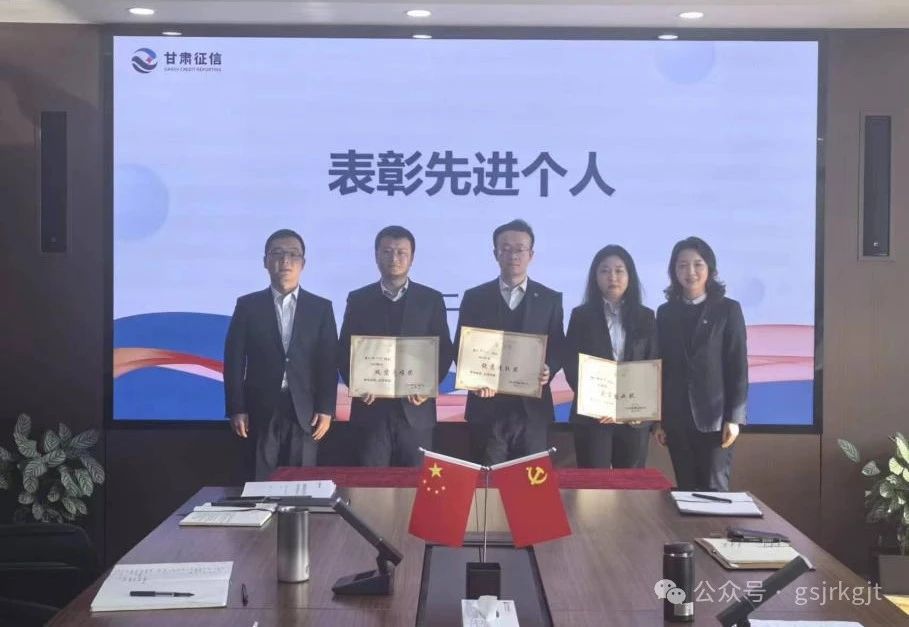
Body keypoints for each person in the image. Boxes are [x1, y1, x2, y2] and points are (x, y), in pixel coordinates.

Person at [223, 229, 339, 480]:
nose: (285, 260)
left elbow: (328, 362)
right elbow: (234, 360)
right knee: (259, 481)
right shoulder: (248, 306)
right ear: (265, 261)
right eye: (277, 253)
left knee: (301, 485)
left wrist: (326, 408)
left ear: (303, 263)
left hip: (305, 411)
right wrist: (236, 407)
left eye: (293, 254)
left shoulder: (320, 308)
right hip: (259, 408)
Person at [338, 225, 454, 466]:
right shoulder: (358, 299)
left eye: (401, 252)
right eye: (387, 251)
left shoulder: (430, 299)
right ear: (376, 255)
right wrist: (358, 385)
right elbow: (344, 350)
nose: (394, 258)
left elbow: (444, 350)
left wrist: (428, 386)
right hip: (370, 412)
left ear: (412, 257)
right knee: (370, 483)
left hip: (416, 411)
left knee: (414, 482)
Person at [454, 219, 564, 465]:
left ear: (531, 255)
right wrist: (473, 380)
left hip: (532, 411)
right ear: (495, 253)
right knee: (487, 481)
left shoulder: (550, 299)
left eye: (520, 249)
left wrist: (549, 368)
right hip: (486, 409)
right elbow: (459, 347)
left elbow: (558, 345)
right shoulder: (475, 298)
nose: (513, 255)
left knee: (529, 482)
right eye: (505, 248)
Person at [655, 236, 748, 491]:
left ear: (710, 269)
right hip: (676, 420)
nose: (690, 272)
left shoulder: (728, 310)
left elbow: (737, 365)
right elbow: (660, 368)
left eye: (698, 264)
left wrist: (734, 418)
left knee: (715, 492)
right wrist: (659, 420)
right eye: (682, 265)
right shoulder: (665, 313)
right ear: (674, 271)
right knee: (685, 490)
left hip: (715, 420)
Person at [563, 245, 658, 468]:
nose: (612, 277)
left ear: (630, 276)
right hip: (593, 417)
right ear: (595, 277)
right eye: (604, 271)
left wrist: (629, 409)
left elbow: (652, 364)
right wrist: (599, 404)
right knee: (593, 484)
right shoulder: (581, 316)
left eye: (619, 270)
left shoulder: (646, 317)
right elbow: (571, 364)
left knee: (630, 484)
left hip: (633, 418)